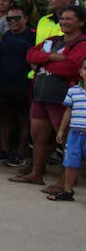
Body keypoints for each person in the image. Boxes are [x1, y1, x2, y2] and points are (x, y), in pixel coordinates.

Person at [10, 5, 86, 186]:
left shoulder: (82, 44)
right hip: (41, 94)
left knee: (66, 140)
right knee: (38, 137)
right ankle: (37, 174)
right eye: (62, 18)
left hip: (63, 98)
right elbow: (30, 55)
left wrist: (43, 62)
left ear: (81, 22)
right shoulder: (53, 40)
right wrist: (52, 57)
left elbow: (72, 67)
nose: (64, 22)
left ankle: (65, 182)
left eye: (69, 19)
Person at [0, 6, 33, 166]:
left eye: (16, 18)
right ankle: (4, 150)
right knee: (4, 119)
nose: (12, 22)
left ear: (25, 19)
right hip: (3, 85)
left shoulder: (32, 37)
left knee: (23, 119)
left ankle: (20, 153)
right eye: (9, 19)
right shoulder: (3, 37)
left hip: (25, 87)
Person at [52, 59, 86, 202]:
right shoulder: (73, 91)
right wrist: (61, 130)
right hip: (74, 133)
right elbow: (68, 111)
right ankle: (67, 191)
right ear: (81, 72)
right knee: (70, 163)